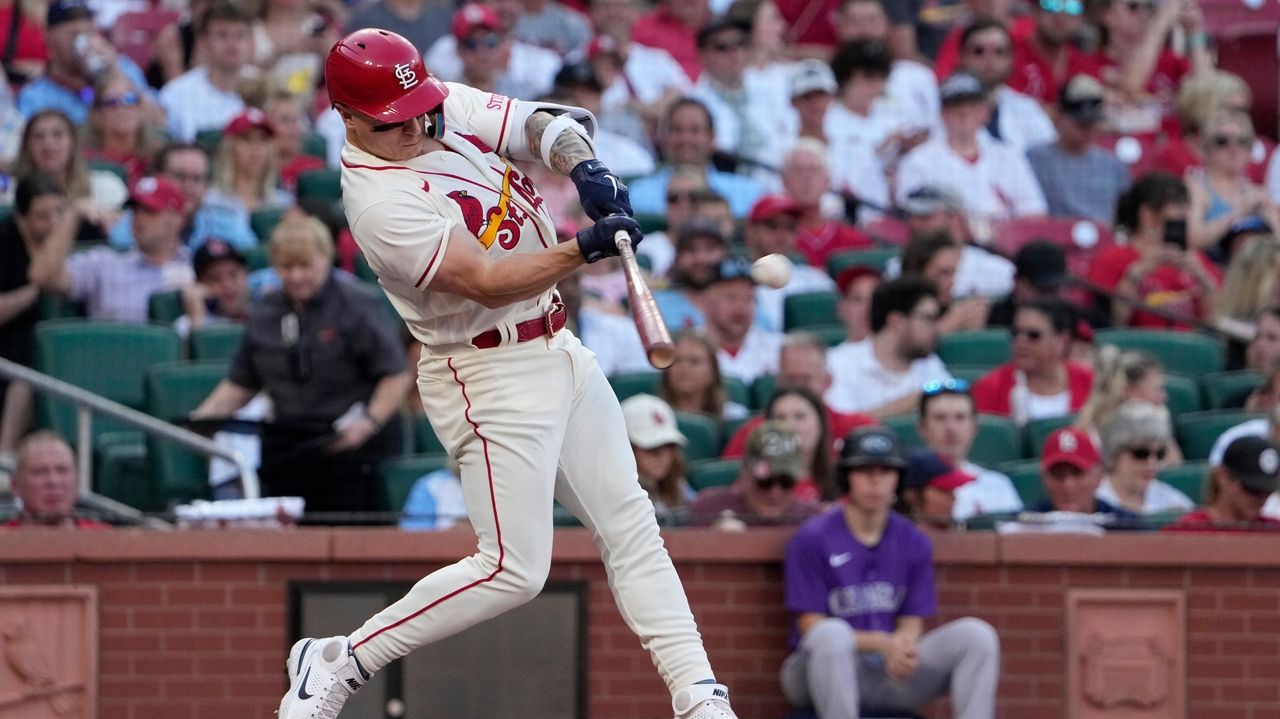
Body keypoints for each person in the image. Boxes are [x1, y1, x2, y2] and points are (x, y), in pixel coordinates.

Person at [278, 29, 742, 719]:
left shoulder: (426, 103)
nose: (415, 126)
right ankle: (341, 658)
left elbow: (540, 124)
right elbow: (489, 281)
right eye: (392, 121)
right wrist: (583, 245)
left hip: (558, 343)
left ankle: (698, 694)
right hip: (487, 369)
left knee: (631, 525)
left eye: (418, 109)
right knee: (514, 570)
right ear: (348, 118)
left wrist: (585, 169)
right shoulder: (378, 204)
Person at [190, 214, 410, 515]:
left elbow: (395, 374)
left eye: (304, 266)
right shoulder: (266, 311)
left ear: (325, 259)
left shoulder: (355, 304)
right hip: (293, 445)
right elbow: (242, 383)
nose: (296, 277)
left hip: (353, 446)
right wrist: (201, 420)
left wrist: (367, 423)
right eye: (286, 267)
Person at [780, 426, 1000, 719]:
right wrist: (885, 643)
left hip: (884, 671)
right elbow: (811, 626)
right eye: (864, 470)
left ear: (898, 479)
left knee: (977, 636)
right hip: (815, 671)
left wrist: (903, 646)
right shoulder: (813, 537)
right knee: (831, 634)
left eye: (885, 470)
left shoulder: (914, 540)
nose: (875, 480)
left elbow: (912, 621)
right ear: (848, 477)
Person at [27, 176, 195, 322]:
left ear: (177, 219)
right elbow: (43, 277)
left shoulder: (199, 267)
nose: (139, 218)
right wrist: (72, 216)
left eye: (150, 211)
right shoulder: (104, 262)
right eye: (135, 210)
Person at [896, 71, 1046, 228]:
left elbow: (1035, 214)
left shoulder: (1008, 156)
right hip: (947, 248)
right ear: (942, 113)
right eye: (956, 105)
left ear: (985, 112)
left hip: (1005, 246)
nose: (964, 112)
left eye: (972, 105)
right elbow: (914, 218)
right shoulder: (918, 160)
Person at [1087, 172, 1222, 330]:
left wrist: (1202, 277)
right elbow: (1112, 322)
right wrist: (1136, 273)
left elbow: (1216, 322)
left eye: (1186, 206)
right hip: (1137, 347)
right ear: (1147, 214)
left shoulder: (1196, 259)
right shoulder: (1112, 259)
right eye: (1178, 205)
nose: (1185, 214)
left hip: (1192, 347)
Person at [722, 331, 877, 458]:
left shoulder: (858, 428)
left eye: (806, 379)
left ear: (827, 381)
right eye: (790, 379)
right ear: (778, 382)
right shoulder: (753, 434)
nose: (797, 388)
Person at [0, 176, 64, 455]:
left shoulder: (72, 235)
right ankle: (5, 452)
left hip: (56, 337)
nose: (54, 223)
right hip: (10, 340)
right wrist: (37, 289)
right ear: (21, 218)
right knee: (29, 355)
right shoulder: (4, 242)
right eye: (42, 216)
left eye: (59, 213)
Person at [825, 276, 950, 417]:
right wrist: (917, 400)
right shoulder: (838, 363)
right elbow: (841, 428)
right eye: (928, 318)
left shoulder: (930, 363)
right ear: (896, 321)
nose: (937, 329)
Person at [17, 0, 155, 124]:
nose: (84, 41)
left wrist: (113, 72)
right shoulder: (35, 96)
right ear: (49, 38)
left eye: (88, 32)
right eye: (74, 34)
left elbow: (159, 123)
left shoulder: (123, 67)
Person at [627, 97, 764, 217]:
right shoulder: (638, 194)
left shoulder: (747, 192)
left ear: (712, 138)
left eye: (695, 130)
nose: (686, 138)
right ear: (663, 137)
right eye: (677, 130)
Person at [110, 143, 258, 252]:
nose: (188, 186)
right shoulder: (131, 224)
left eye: (197, 179)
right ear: (156, 177)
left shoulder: (226, 224)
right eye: (179, 177)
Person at [1026, 74, 1130, 224]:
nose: (1086, 129)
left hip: (1103, 240)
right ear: (1059, 115)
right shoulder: (1035, 159)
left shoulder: (1114, 166)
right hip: (1056, 237)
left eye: (1091, 122)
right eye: (1080, 122)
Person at [972, 299, 1092, 425]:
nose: (1020, 342)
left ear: (1060, 341)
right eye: (1015, 333)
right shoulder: (990, 388)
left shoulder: (1090, 383)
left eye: (1033, 335)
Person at [916, 379, 1023, 520]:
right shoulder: (908, 487)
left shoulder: (997, 486)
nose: (951, 428)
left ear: (975, 427)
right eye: (940, 418)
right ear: (922, 428)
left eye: (960, 418)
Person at [13, 109, 128, 241]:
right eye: (39, 137)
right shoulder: (10, 192)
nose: (48, 144)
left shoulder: (106, 185)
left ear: (73, 142)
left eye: (58, 135)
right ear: (26, 147)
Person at [687, 420, 823, 527]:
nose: (775, 492)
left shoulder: (812, 519)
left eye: (786, 481)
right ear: (745, 472)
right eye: (765, 482)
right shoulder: (708, 509)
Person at [688, 15, 778, 173]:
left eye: (740, 44)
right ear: (703, 55)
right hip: (724, 184)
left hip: (777, 180)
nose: (734, 53)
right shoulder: (693, 103)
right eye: (722, 47)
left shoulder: (772, 87)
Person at [895, 185, 1015, 299]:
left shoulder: (996, 270)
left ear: (955, 219)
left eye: (926, 217)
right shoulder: (896, 268)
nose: (915, 224)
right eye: (911, 217)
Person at [158, 1, 255, 142]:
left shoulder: (268, 87)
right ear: (204, 42)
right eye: (222, 35)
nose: (232, 44)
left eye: (240, 35)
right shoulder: (176, 94)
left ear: (251, 42)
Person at [955, 18, 1054, 154]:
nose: (989, 59)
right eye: (978, 51)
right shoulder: (940, 108)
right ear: (962, 57)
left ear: (1011, 59)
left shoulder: (1028, 110)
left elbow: (1048, 159)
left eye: (999, 52)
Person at [1185, 112, 1280, 251]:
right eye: (1222, 141)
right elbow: (1192, 240)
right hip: (1214, 268)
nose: (1234, 148)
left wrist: (1270, 219)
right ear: (1206, 148)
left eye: (1242, 141)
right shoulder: (1195, 188)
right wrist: (1238, 212)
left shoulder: (1259, 194)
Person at [743, 194, 835, 332]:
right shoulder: (734, 280)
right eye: (772, 225)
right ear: (751, 231)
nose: (782, 233)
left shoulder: (815, 280)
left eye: (790, 227)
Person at [1074, 346, 1182, 462]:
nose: (1164, 397)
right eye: (1158, 389)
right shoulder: (1092, 436)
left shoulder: (1159, 422)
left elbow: (1175, 466)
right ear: (1129, 391)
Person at [781, 139, 872, 268]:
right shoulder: (774, 238)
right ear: (784, 180)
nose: (806, 177)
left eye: (814, 170)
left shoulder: (854, 240)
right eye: (798, 170)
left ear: (827, 181)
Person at [1094, 400, 1193, 516]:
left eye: (1159, 454)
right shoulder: (1094, 500)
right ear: (1115, 453)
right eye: (1141, 453)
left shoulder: (1173, 503)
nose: (1152, 462)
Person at [1166, 436, 1280, 531]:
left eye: (1268, 491)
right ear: (1223, 476)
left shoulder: (1273, 530)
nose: (1263, 499)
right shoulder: (1187, 530)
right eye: (1253, 489)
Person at [203, 108, 294, 223]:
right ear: (230, 147)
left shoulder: (283, 203)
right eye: (246, 139)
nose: (256, 147)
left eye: (263, 140)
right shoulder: (212, 201)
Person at [3, 431, 110, 529]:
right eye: (40, 472)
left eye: (62, 470)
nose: (54, 481)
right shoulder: (3, 541)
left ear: (77, 481)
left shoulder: (109, 540)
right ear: (15, 485)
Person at [703, 256, 784, 384]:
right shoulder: (690, 350)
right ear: (707, 302)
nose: (740, 307)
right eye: (731, 297)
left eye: (748, 299)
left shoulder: (777, 348)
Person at [1033, 427, 1138, 521]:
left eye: (1077, 473)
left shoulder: (1127, 527)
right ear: (1044, 478)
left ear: (1099, 476)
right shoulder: (1024, 525)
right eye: (1057, 474)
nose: (1067, 485)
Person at [622, 393, 695, 524]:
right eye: (653, 448)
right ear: (628, 448)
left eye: (669, 446)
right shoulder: (612, 494)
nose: (663, 456)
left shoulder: (679, 487)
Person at [84, 69, 163, 188]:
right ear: (96, 115)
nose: (122, 109)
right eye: (111, 102)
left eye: (129, 99)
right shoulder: (85, 161)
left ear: (140, 108)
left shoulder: (158, 157)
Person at [899, 230, 989, 333]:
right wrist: (947, 325)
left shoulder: (949, 308)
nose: (951, 282)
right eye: (943, 273)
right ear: (918, 273)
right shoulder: (897, 312)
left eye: (953, 273)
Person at [653, 218, 731, 331]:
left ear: (724, 253)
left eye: (709, 248)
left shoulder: (744, 303)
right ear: (677, 256)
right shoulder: (656, 306)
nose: (701, 258)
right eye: (690, 249)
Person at [660, 329, 751, 421]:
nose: (684, 368)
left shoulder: (735, 416)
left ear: (712, 371)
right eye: (677, 360)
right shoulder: (654, 413)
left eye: (694, 361)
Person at [764, 387, 835, 502]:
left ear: (820, 424)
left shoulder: (844, 479)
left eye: (800, 416)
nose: (789, 426)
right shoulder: (756, 483)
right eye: (780, 418)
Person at [176, 238, 251, 338]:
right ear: (199, 286)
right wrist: (196, 319)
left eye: (233, 275)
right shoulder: (186, 324)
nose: (227, 285)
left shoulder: (263, 314)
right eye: (215, 279)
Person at [898, 448, 976, 528]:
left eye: (952, 491)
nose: (953, 498)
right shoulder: (896, 536)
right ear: (913, 495)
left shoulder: (962, 531)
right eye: (944, 491)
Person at [835, 265, 880, 344]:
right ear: (842, 308)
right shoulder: (831, 356)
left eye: (874, 299)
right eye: (857, 300)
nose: (867, 308)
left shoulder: (903, 353)